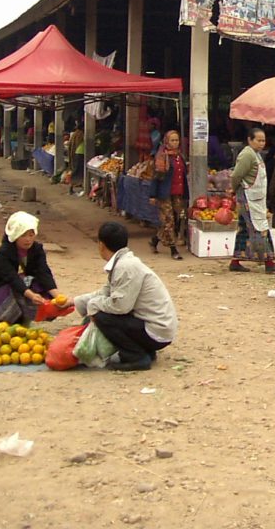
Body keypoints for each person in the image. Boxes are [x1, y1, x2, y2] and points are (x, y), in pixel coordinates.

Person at [73, 221, 178, 371]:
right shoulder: (123, 263)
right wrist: (74, 302)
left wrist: (93, 306)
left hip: (156, 330)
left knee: (102, 317)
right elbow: (105, 292)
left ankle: (136, 357)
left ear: (101, 245)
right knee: (99, 308)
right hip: (155, 326)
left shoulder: (126, 267)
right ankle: (145, 351)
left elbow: (120, 306)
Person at [0, 212, 65, 325]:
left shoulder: (37, 250)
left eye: (31, 235)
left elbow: (43, 273)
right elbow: (11, 278)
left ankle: (25, 319)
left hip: (24, 284)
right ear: (15, 235)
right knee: (11, 291)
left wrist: (58, 296)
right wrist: (31, 295)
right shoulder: (3, 252)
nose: (28, 239)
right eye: (23, 235)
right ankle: (3, 320)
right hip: (3, 286)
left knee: (38, 286)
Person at [228, 127, 275, 273]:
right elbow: (236, 175)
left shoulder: (256, 154)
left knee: (244, 229)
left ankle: (235, 261)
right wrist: (234, 189)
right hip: (248, 197)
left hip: (256, 198)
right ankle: (269, 262)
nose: (262, 143)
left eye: (263, 140)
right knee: (259, 227)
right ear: (250, 140)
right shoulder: (247, 155)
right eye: (259, 140)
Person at [149, 129, 188, 260]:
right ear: (167, 141)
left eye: (177, 140)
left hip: (178, 193)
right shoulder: (161, 157)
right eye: (172, 140)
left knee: (177, 219)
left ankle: (155, 240)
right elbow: (155, 177)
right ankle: (173, 249)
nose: (175, 143)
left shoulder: (180, 156)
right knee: (168, 221)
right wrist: (152, 195)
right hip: (164, 193)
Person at [68, 122, 85, 192]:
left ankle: (73, 186)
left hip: (77, 153)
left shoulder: (75, 133)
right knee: (78, 171)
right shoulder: (81, 134)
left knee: (76, 170)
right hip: (81, 153)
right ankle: (71, 186)